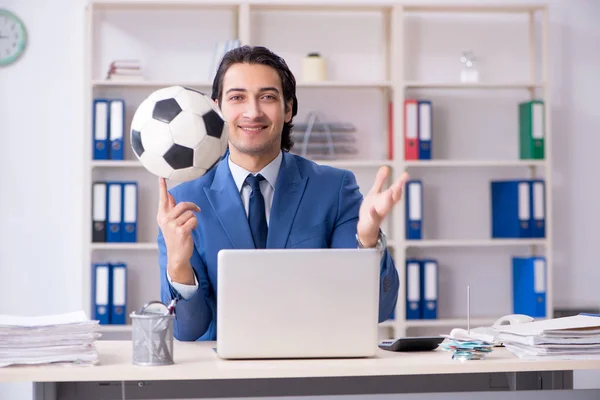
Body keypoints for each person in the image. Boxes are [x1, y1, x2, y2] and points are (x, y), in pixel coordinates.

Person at [157, 45, 409, 341]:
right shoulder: (185, 204)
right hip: (223, 375)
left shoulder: (334, 189)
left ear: (288, 109)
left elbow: (377, 310)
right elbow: (188, 331)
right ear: (218, 110)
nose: (253, 112)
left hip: (314, 369)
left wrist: (368, 240)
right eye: (237, 97)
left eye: (267, 97)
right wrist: (178, 264)